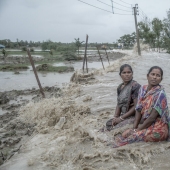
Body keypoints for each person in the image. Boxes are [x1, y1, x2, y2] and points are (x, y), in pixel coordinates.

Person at [112, 66, 170, 147]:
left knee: (128, 139)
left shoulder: (160, 94)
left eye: (158, 75)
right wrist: (134, 128)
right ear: (147, 76)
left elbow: (152, 118)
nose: (154, 77)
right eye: (152, 74)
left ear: (161, 79)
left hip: (158, 128)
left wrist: (137, 130)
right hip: (146, 125)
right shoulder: (143, 89)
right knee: (125, 134)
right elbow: (138, 109)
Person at [105, 64, 141, 131]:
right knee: (109, 124)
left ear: (132, 74)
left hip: (133, 115)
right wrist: (115, 117)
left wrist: (121, 118)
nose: (127, 74)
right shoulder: (119, 88)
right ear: (120, 75)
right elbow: (119, 104)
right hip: (124, 115)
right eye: (124, 73)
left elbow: (136, 107)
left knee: (116, 129)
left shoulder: (135, 86)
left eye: (129, 72)